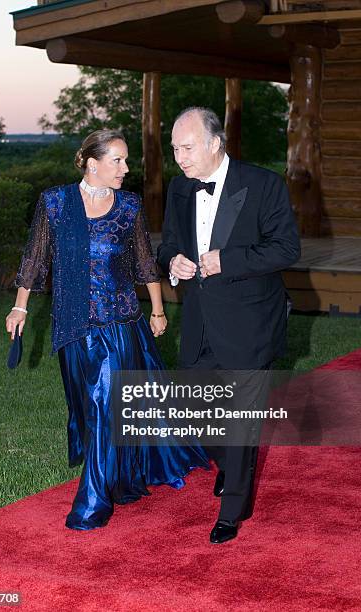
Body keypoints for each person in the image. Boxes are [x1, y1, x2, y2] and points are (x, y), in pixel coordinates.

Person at [5, 129, 208, 531]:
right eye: (117, 160)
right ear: (92, 163)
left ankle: (93, 501)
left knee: (104, 405)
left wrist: (157, 310)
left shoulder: (129, 206)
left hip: (118, 323)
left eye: (126, 160)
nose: (125, 168)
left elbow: (143, 263)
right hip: (73, 325)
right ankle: (121, 476)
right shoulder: (56, 203)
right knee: (85, 405)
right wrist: (19, 306)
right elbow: (35, 257)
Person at [157, 107, 301, 544]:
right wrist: (173, 262)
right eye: (174, 148)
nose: (179, 157)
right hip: (201, 322)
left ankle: (232, 510)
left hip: (251, 322)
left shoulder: (262, 184)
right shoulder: (180, 189)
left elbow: (286, 249)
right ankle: (228, 465)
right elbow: (166, 246)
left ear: (216, 143)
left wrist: (228, 261)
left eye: (187, 147)